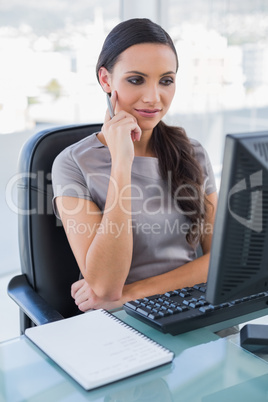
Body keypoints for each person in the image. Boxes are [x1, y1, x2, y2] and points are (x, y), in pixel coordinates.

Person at [51, 18, 218, 312]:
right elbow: (104, 284)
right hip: (123, 328)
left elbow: (220, 258)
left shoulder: (193, 153)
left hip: (195, 309)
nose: (154, 98)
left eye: (166, 80)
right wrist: (122, 162)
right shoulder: (73, 163)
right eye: (136, 80)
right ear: (106, 79)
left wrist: (130, 295)